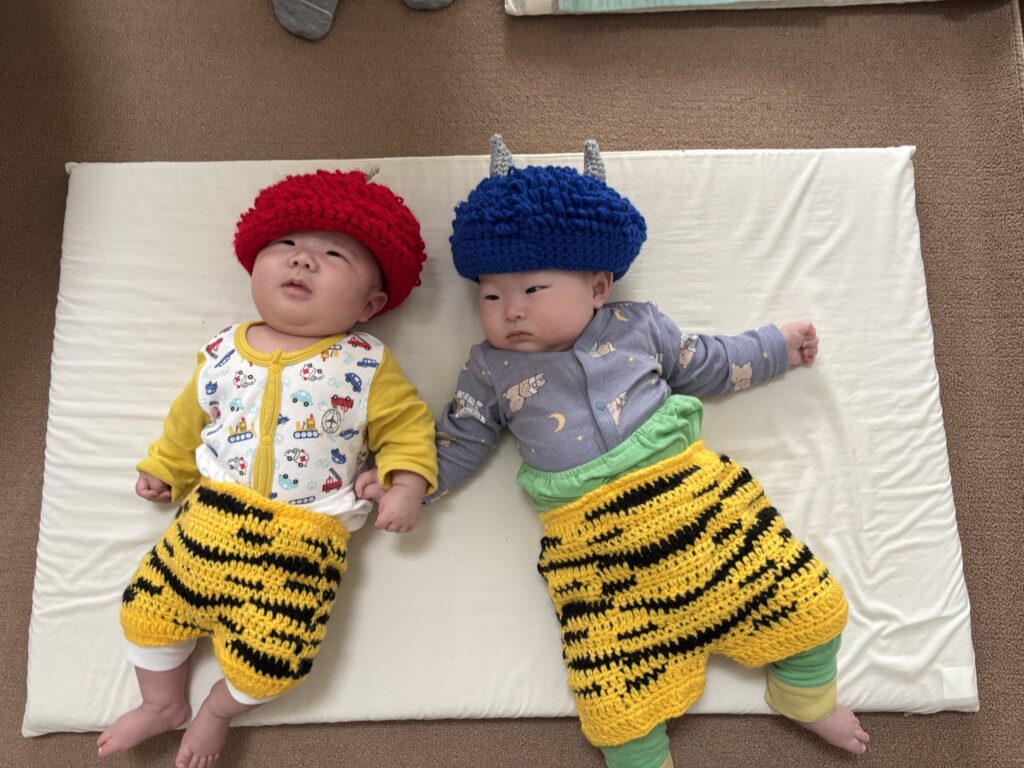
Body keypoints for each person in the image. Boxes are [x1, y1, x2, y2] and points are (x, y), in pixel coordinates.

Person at [359, 136, 869, 768]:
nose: (510, 311)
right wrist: (407, 482)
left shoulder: (639, 327)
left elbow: (707, 363)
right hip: (598, 559)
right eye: (490, 297)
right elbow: (460, 438)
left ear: (599, 286)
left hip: (700, 514)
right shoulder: (489, 369)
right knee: (613, 712)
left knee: (813, 609)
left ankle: (806, 695)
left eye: (533, 289)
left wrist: (776, 348)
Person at [97, 169, 438, 768]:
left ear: (370, 305)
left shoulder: (365, 363)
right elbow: (188, 419)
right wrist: (165, 468)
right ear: (253, 266)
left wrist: (405, 485)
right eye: (287, 245)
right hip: (207, 523)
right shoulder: (222, 350)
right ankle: (162, 704)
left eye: (334, 255)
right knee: (147, 613)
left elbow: (407, 428)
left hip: (300, 545)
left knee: (274, 665)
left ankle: (216, 710)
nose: (302, 260)